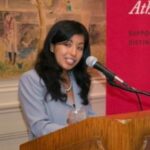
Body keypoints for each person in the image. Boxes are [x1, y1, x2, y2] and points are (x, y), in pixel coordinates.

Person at [18, 20, 95, 139]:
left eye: (79, 48)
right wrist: (76, 132)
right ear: (52, 46)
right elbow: (39, 127)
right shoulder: (31, 79)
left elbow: (90, 117)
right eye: (67, 44)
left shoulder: (80, 79)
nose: (74, 53)